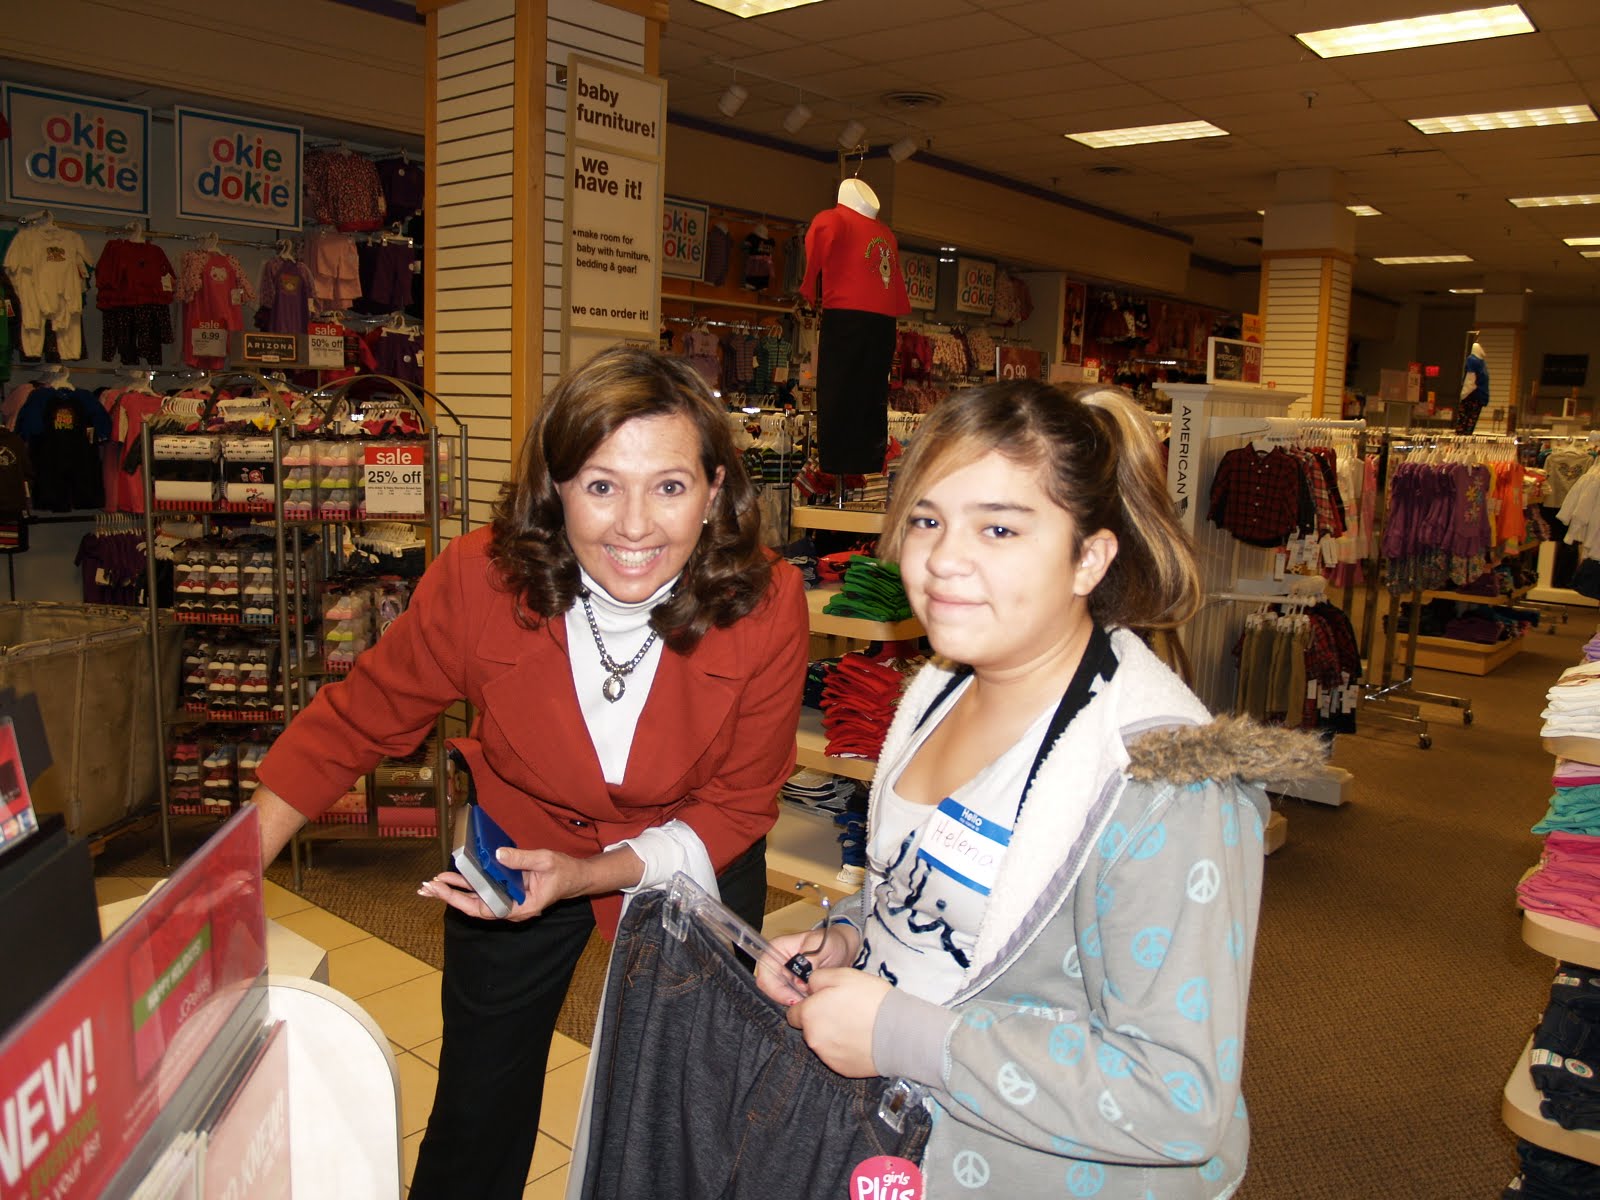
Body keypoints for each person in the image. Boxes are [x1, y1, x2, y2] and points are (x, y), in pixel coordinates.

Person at [250, 345, 809, 1199]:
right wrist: (222, 881)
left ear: (715, 491)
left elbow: (739, 802)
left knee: (692, 1112)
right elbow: (359, 716)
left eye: (668, 486)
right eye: (600, 485)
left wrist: (590, 872)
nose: (634, 527)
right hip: (517, 852)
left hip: (695, 858)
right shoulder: (483, 579)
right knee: (478, 1106)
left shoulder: (765, 603)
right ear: (555, 489)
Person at [758, 379, 1324, 1197]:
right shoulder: (943, 686)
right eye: (927, 520)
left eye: (999, 528)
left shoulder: (1163, 784)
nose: (943, 559)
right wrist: (846, 937)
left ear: (1089, 558)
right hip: (894, 1145)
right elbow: (922, 882)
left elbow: (1179, 1100)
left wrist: (903, 1036)